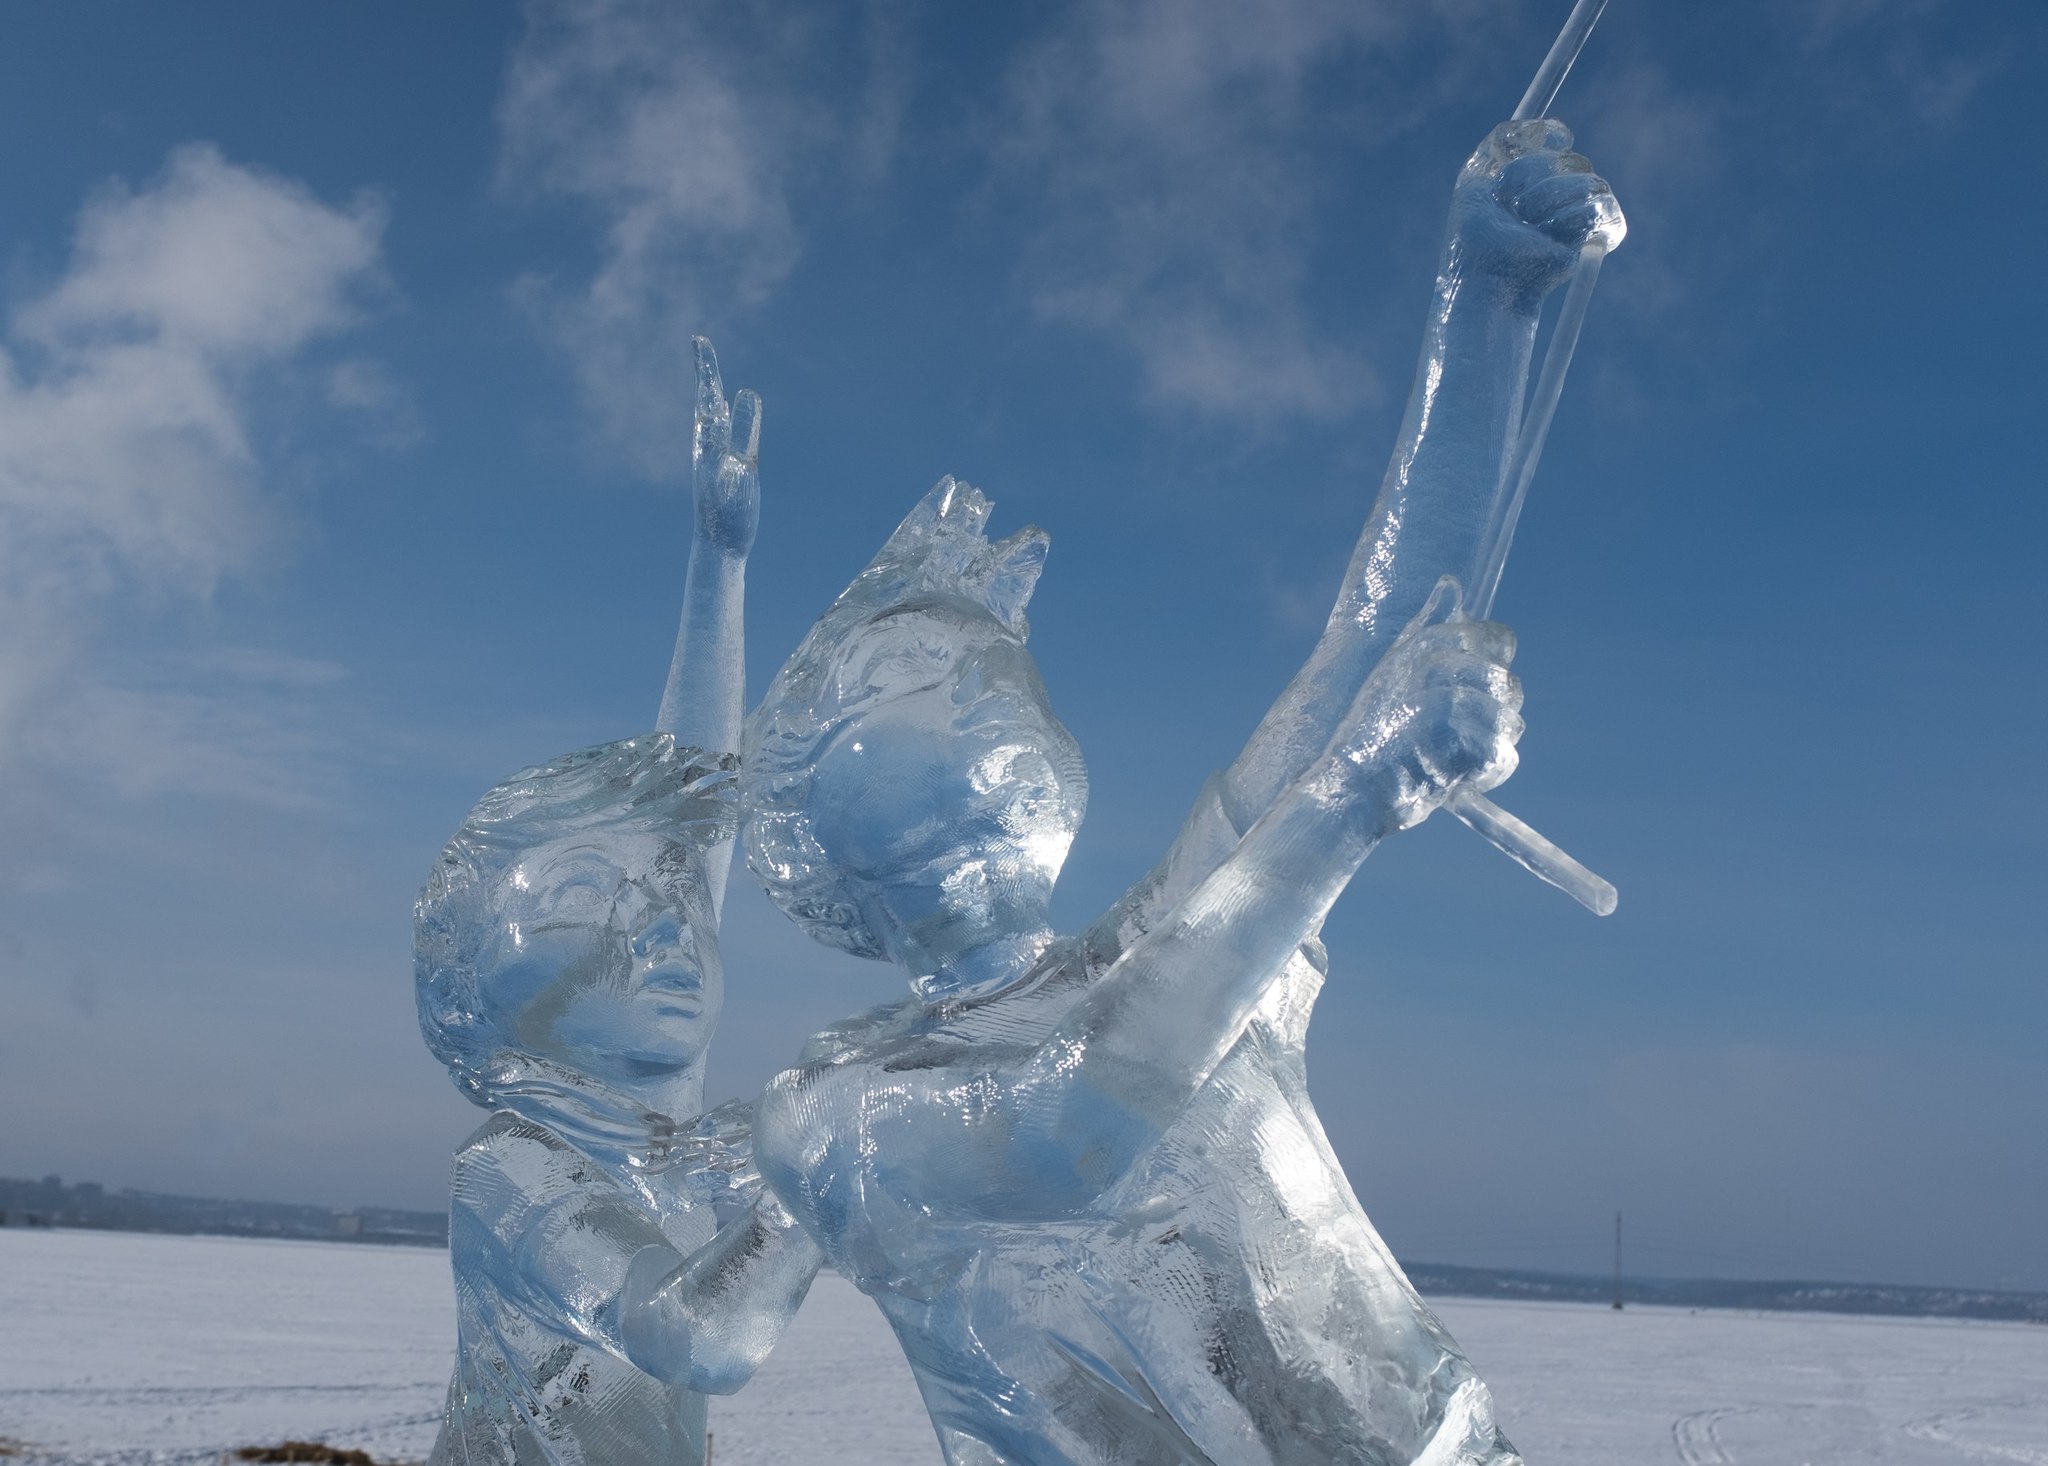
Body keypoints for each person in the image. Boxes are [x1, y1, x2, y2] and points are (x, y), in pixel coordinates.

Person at [740, 120, 1624, 1464]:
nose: (985, 698)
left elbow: (1372, 645)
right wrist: (1351, 799)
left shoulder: (1187, 935)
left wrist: (1486, 301)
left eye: (989, 676)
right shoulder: (836, 1107)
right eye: (911, 684)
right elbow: (1067, 1125)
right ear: (811, 833)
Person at [414, 342, 821, 1466]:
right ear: (486, 993)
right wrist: (818, 1166)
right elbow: (699, 1335)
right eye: (588, 902)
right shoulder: (514, 1167)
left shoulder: (665, 1133)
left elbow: (694, 814)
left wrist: (720, 566)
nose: (660, 922)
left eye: (672, 906)